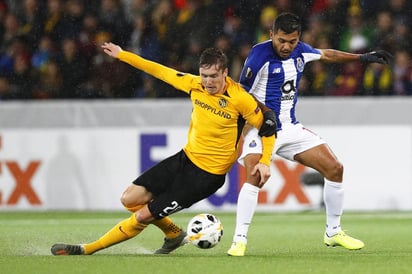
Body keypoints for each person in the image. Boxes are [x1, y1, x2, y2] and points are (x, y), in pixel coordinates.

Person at [50, 42, 277, 255]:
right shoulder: (193, 84)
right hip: (185, 159)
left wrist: (265, 161)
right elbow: (159, 70)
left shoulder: (240, 98)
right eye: (204, 76)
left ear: (225, 73)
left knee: (142, 215)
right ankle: (173, 233)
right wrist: (122, 55)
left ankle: (87, 249)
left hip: (207, 176)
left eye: (214, 76)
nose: (208, 82)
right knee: (129, 199)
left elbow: (268, 128)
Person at [227, 12, 392, 257]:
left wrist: (362, 57)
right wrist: (254, 122)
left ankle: (333, 232)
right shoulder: (258, 55)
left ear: (298, 38)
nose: (286, 46)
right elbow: (239, 93)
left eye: (291, 41)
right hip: (261, 129)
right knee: (255, 177)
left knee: (335, 169)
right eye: (281, 40)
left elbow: (327, 54)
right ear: (272, 34)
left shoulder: (301, 50)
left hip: (291, 128)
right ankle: (239, 240)